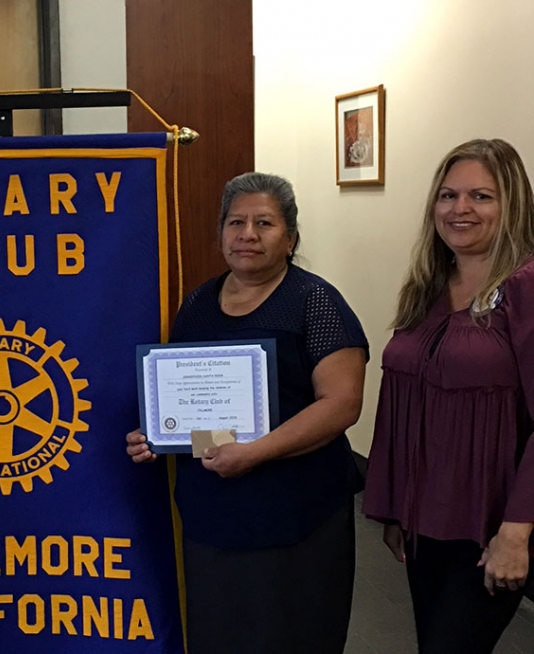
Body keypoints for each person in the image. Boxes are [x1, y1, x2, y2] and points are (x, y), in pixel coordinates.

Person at [126, 172, 367, 654]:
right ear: (220, 234)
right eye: (236, 222)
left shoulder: (313, 302)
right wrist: (160, 434)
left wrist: (256, 452)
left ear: (291, 238)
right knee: (219, 633)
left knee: (293, 633)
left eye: (265, 223)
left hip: (298, 515)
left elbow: (342, 404)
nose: (248, 234)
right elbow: (201, 411)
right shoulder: (196, 305)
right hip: (214, 516)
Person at [363, 139, 534, 654]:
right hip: (427, 522)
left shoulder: (525, 286)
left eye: (481, 196)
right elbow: (402, 399)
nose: (460, 209)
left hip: (491, 524)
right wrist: (395, 509)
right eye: (447, 195)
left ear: (512, 204)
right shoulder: (428, 286)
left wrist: (516, 532)